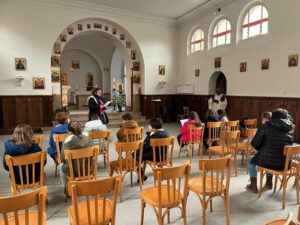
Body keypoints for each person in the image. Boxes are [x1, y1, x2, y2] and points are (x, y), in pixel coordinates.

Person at [246, 108, 294, 193]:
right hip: (284, 164)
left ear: (273, 116)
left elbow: (254, 144)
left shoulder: (265, 126)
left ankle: (253, 186)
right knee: (272, 156)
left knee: (250, 160)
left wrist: (260, 149)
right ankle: (269, 182)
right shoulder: (290, 129)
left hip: (268, 162)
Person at [60, 122, 94, 187]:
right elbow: (93, 156)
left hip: (73, 172)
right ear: (81, 129)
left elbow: (62, 159)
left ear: (69, 132)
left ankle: (67, 188)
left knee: (61, 167)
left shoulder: (66, 144)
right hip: (88, 169)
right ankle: (91, 187)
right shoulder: (90, 141)